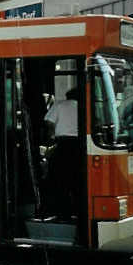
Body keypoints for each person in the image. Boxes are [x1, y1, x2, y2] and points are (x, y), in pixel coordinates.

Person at [43, 87, 78, 218]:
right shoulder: (85, 106)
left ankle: (61, 211)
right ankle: (75, 210)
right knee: (75, 179)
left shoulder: (59, 105)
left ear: (67, 96)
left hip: (63, 145)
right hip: (79, 146)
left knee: (58, 179)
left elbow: (49, 122)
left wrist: (51, 138)